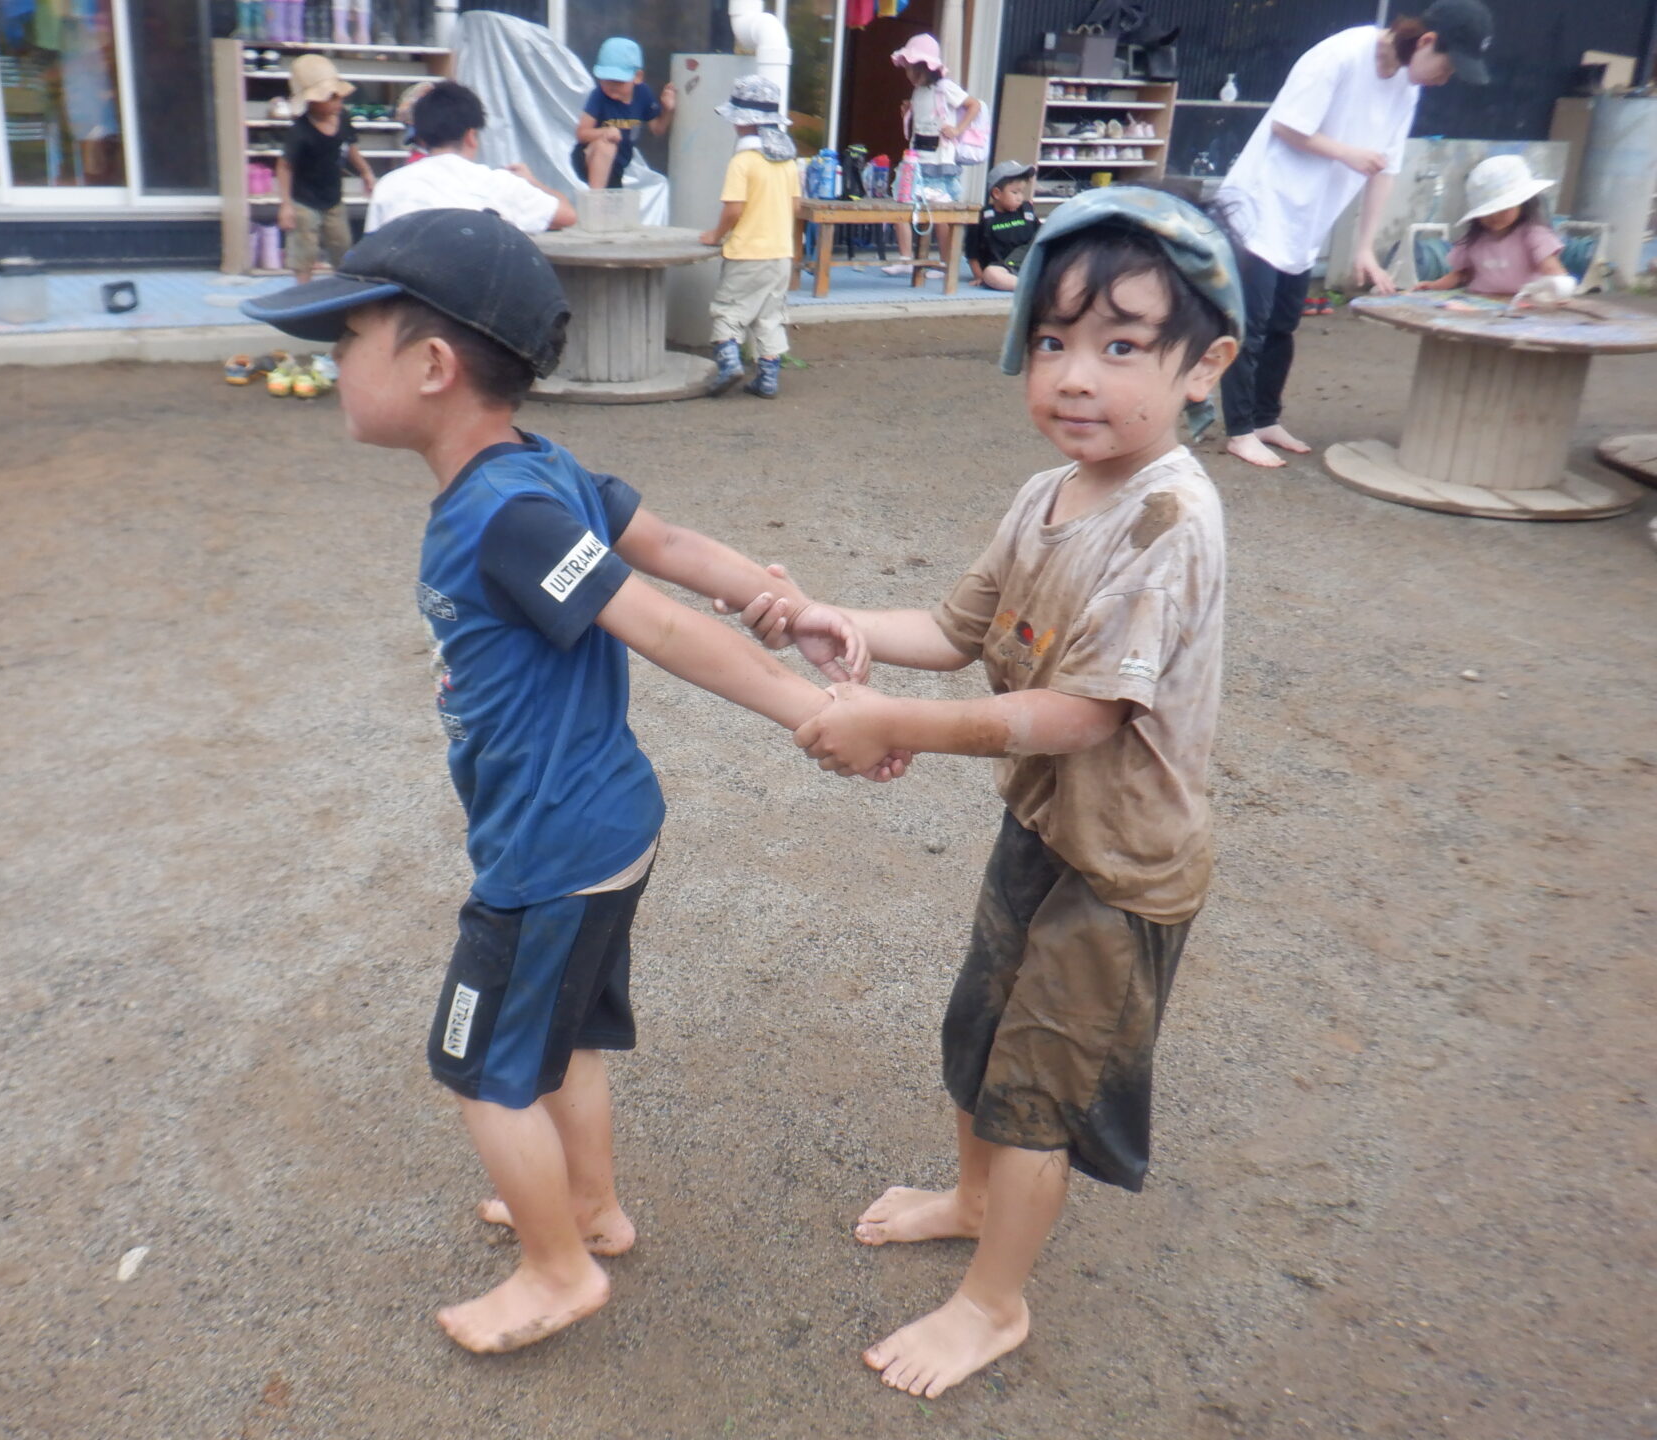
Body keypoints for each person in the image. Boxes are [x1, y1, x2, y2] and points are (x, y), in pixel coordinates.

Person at [239, 210, 896, 1356]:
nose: (331, 359)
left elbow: (661, 620)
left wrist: (813, 706)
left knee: (480, 1068)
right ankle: (589, 1210)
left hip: (547, 850)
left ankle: (558, 1273)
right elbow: (672, 544)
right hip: (602, 829)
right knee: (567, 1037)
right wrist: (786, 606)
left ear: (432, 366)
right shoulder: (539, 473)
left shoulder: (506, 515)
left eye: (347, 338)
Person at [724, 188, 1243, 1399]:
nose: (1075, 375)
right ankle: (971, 1200)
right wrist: (835, 621)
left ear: (1204, 368)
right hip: (1044, 827)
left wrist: (897, 724)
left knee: (1036, 1091)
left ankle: (994, 1302)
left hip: (1122, 869)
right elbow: (957, 632)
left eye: (1122, 346)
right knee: (980, 1034)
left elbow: (1082, 715)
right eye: (1053, 340)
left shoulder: (1170, 520)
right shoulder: (1045, 494)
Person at [1215, 0, 1492, 467]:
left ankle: (1265, 418)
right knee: (1252, 325)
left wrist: (1365, 247)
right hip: (1261, 204)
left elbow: (1385, 168)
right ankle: (1240, 430)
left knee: (1284, 325)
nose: (1445, 79)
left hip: (1308, 218)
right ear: (1426, 42)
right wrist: (1347, 153)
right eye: (1447, 67)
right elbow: (1288, 125)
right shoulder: (1342, 53)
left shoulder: (1406, 88)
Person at [697, 75, 803, 400]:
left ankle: (729, 364)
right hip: (780, 254)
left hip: (746, 252)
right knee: (770, 317)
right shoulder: (787, 163)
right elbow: (795, 207)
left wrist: (716, 235)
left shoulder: (743, 162)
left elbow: (734, 210)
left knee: (729, 311)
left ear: (742, 123)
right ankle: (768, 379)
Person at [364, 81, 576, 235]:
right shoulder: (499, 184)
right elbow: (567, 215)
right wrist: (532, 181)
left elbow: (371, 249)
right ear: (471, 136)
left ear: (422, 137)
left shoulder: (388, 185)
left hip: (402, 282)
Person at [881, 33, 981, 279]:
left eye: (911, 68)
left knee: (940, 216)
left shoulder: (945, 88)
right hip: (916, 160)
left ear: (924, 67)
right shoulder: (918, 91)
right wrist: (908, 113)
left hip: (939, 162)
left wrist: (957, 129)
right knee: (901, 206)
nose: (908, 74)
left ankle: (946, 264)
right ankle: (906, 258)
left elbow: (974, 105)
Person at [277, 54, 378, 283]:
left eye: (339, 96)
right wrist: (286, 205)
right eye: (331, 97)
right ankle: (302, 292)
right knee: (304, 252)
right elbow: (285, 166)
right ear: (311, 101)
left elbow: (351, 147)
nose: (338, 102)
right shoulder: (300, 131)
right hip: (304, 200)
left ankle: (343, 288)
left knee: (342, 246)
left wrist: (365, 172)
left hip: (333, 197)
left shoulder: (343, 118)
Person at [1412, 152, 1566, 297]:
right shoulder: (1475, 241)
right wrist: (1434, 285)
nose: (1494, 216)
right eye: (1487, 212)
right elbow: (1462, 274)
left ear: (1523, 204)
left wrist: (1560, 289)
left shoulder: (1534, 235)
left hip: (1523, 303)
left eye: (1503, 209)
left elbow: (1551, 269)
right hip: (1480, 302)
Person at [572, 36, 676, 191]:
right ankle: (596, 199)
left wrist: (667, 110)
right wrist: (604, 132)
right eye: (606, 80)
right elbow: (581, 133)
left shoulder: (643, 94)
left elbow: (658, 129)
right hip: (588, 156)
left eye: (619, 82)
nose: (612, 87)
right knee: (606, 145)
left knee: (615, 199)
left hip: (617, 165)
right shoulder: (599, 95)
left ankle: (602, 199)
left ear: (637, 77)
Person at [965, 161, 1041, 292]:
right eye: (1015, 192)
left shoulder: (1026, 212)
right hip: (1003, 269)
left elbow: (1040, 238)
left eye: (1022, 192)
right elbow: (972, 254)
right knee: (991, 275)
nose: (1020, 198)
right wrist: (980, 276)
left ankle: (1036, 284)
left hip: (1029, 264)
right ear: (997, 193)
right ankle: (1032, 289)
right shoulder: (983, 218)